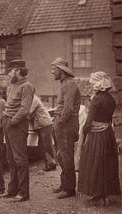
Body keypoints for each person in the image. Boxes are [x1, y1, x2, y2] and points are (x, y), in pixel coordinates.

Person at [78, 71, 120, 205]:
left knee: (94, 163)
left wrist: (84, 131)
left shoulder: (96, 99)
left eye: (93, 83)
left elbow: (89, 119)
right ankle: (105, 194)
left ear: (99, 83)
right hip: (107, 134)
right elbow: (108, 118)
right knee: (106, 163)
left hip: (96, 135)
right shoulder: (111, 99)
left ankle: (97, 195)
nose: (92, 85)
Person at [1, 59, 34, 202]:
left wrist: (12, 121)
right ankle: (12, 190)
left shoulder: (27, 86)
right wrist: (5, 119)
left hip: (17, 125)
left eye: (11, 71)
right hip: (8, 123)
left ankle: (23, 193)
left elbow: (25, 109)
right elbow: (9, 106)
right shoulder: (12, 86)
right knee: (10, 159)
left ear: (18, 71)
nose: (9, 74)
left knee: (20, 159)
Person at [51, 57, 81, 199]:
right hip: (62, 122)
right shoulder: (64, 83)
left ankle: (69, 189)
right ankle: (64, 184)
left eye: (54, 69)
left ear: (61, 71)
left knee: (66, 156)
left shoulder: (69, 84)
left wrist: (60, 122)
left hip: (66, 124)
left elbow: (68, 109)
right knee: (61, 156)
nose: (52, 72)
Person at [29, 93, 57, 171]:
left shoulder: (34, 100)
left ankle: (52, 163)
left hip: (45, 124)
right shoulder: (31, 99)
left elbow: (28, 112)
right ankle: (50, 163)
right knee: (41, 146)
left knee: (47, 145)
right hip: (41, 125)